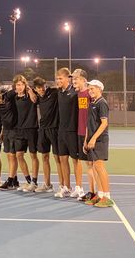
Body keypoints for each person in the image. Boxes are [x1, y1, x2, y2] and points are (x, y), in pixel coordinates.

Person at [83, 80, 114, 208]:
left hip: (100, 140)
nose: (90, 91)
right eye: (89, 89)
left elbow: (104, 123)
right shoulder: (92, 103)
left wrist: (94, 138)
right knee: (95, 167)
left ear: (99, 89)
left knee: (99, 166)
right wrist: (86, 140)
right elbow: (88, 124)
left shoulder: (102, 103)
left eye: (93, 89)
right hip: (91, 140)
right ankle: (100, 195)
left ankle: (107, 197)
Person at [54, 68, 79, 198]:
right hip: (61, 131)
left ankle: (78, 188)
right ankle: (67, 187)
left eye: (60, 78)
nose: (58, 81)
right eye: (57, 78)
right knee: (63, 159)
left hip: (73, 132)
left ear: (67, 79)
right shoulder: (58, 92)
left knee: (75, 161)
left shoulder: (75, 92)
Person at [0, 86, 19, 190]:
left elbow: (17, 89)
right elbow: (3, 119)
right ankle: (14, 180)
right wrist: (2, 131)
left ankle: (10, 180)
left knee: (12, 156)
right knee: (8, 156)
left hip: (14, 130)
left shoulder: (7, 96)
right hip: (6, 131)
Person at [13, 75, 39, 192]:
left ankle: (34, 182)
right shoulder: (15, 97)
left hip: (32, 129)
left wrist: (30, 90)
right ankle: (28, 181)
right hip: (19, 130)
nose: (19, 87)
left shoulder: (31, 94)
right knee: (19, 155)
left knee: (33, 155)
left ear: (25, 85)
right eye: (17, 85)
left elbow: (35, 99)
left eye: (21, 84)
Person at [32, 77, 59, 193]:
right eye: (39, 88)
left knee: (58, 158)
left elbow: (60, 87)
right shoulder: (37, 97)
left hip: (55, 129)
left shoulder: (53, 92)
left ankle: (63, 186)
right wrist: (29, 90)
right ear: (35, 89)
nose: (41, 89)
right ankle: (48, 184)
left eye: (43, 86)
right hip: (43, 130)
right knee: (44, 157)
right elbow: (30, 93)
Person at [72, 69, 95, 200]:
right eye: (73, 78)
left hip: (89, 133)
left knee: (91, 164)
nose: (74, 80)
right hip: (80, 133)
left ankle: (95, 193)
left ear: (84, 80)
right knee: (86, 163)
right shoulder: (78, 94)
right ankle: (90, 192)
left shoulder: (89, 94)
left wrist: (89, 135)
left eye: (77, 78)